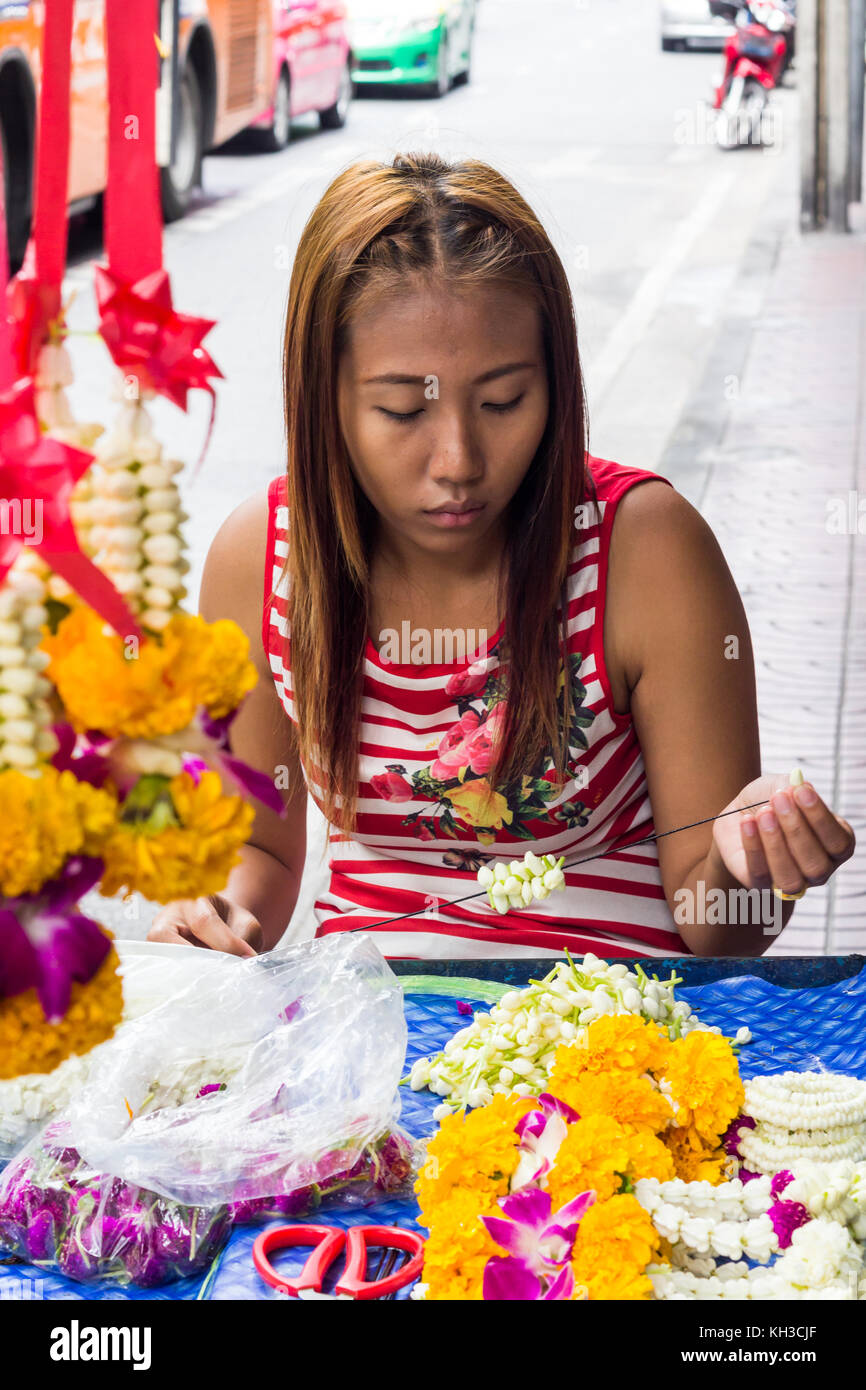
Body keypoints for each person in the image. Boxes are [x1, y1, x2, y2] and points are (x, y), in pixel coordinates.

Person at [148, 153, 854, 961]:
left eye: (502, 401)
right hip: (367, 1032)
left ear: (556, 383)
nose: (458, 460)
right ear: (324, 397)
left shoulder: (646, 551)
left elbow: (721, 933)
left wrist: (753, 856)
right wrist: (216, 917)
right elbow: (262, 854)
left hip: (615, 1038)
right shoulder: (262, 559)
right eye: (402, 409)